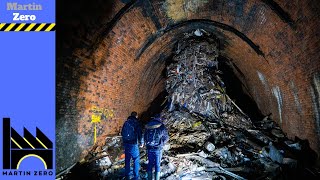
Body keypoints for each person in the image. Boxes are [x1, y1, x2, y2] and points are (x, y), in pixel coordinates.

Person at [144, 113, 169, 180]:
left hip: (149, 148)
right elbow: (166, 138)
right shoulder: (161, 126)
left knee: (150, 163)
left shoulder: (148, 125)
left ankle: (149, 178)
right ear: (159, 118)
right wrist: (162, 143)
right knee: (157, 164)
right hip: (158, 149)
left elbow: (145, 136)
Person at [121, 112, 143, 180]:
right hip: (133, 144)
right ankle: (136, 177)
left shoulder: (126, 122)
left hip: (126, 144)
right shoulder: (136, 123)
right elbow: (140, 134)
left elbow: (122, 133)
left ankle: (127, 176)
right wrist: (141, 142)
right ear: (136, 116)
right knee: (136, 159)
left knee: (127, 160)